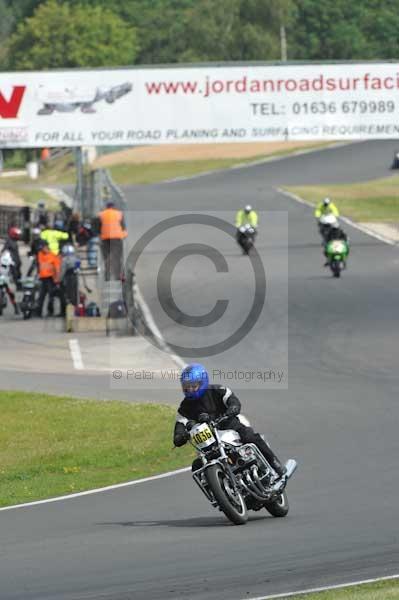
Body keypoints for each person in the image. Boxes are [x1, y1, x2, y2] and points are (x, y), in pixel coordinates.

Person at [173, 363, 287, 483]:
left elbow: (233, 401)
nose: (189, 390)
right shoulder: (184, 408)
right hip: (210, 444)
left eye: (193, 386)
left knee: (249, 436)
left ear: (202, 382)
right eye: (186, 387)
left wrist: (232, 408)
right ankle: (215, 494)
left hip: (231, 428)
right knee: (197, 466)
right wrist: (180, 436)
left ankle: (275, 465)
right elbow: (179, 427)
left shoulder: (218, 391)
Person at [98, 200, 127, 281]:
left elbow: (98, 227)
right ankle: (118, 276)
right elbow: (123, 227)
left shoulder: (101, 214)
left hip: (105, 238)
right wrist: (124, 235)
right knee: (117, 257)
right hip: (117, 238)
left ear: (106, 207)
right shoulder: (119, 214)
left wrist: (100, 237)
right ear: (114, 207)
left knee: (106, 258)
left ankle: (107, 277)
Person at [36, 241, 60, 317]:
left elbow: (57, 268)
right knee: (41, 296)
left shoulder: (53, 256)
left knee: (51, 296)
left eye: (43, 248)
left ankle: (50, 311)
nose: (42, 250)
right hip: (42, 279)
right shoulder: (40, 254)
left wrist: (57, 280)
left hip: (50, 279)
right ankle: (38, 312)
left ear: (46, 247)